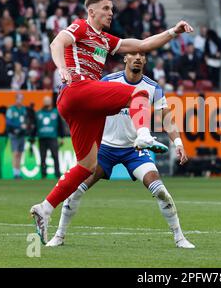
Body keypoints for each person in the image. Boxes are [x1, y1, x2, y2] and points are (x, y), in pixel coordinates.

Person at [30, 0, 194, 245]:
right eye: (105, 9)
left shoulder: (105, 40)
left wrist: (174, 32)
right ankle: (143, 135)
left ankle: (45, 208)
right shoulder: (81, 27)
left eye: (111, 9)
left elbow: (142, 44)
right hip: (77, 89)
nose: (110, 13)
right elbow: (56, 43)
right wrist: (62, 69)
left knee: (86, 167)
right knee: (137, 94)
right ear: (91, 11)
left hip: (83, 107)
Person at [46, 52, 194, 249]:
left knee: (161, 192)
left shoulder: (153, 88)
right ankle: (59, 235)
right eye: (133, 54)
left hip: (134, 149)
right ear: (125, 59)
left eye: (142, 55)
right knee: (76, 191)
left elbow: (167, 119)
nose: (138, 58)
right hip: (105, 148)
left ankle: (179, 238)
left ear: (146, 61)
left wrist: (179, 144)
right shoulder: (108, 81)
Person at [35, 96, 64, 179]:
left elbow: (60, 126)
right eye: (45, 101)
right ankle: (43, 174)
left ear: (51, 102)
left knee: (55, 156)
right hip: (42, 138)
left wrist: (62, 137)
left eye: (48, 101)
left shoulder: (55, 112)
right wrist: (33, 137)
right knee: (43, 157)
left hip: (53, 138)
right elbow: (35, 126)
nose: (47, 103)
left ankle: (57, 174)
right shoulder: (39, 113)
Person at [6, 93, 27, 179]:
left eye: (21, 99)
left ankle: (18, 172)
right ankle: (15, 173)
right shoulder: (11, 109)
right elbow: (8, 122)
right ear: (16, 99)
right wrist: (19, 125)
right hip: (14, 134)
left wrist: (26, 126)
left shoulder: (24, 109)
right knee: (15, 153)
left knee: (20, 153)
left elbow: (26, 120)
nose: (20, 100)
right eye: (19, 98)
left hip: (22, 134)